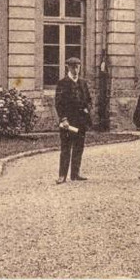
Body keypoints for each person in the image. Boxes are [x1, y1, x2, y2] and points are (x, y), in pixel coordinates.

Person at [54, 56, 92, 184]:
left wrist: (87, 108)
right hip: (68, 122)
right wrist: (63, 119)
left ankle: (75, 174)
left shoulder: (83, 83)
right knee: (66, 148)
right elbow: (58, 103)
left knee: (79, 147)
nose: (76, 69)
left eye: (78, 67)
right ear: (68, 68)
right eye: (73, 67)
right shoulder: (62, 83)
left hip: (81, 121)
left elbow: (89, 99)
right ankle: (62, 175)